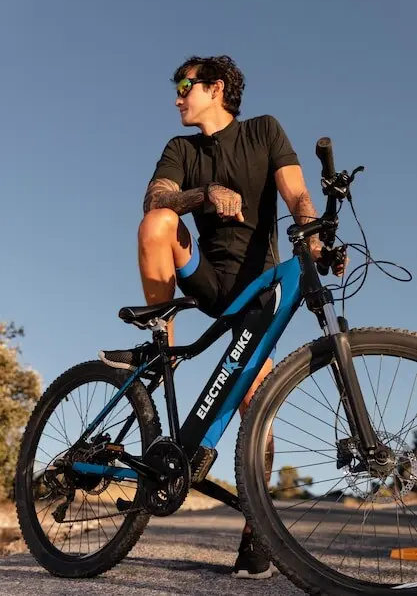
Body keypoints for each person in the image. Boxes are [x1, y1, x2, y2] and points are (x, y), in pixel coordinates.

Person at [101, 55, 346, 579]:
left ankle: (257, 533)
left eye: (184, 85)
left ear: (215, 88)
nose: (177, 96)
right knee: (158, 222)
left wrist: (316, 242)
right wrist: (205, 195)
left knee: (259, 403)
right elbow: (156, 199)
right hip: (205, 277)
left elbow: (298, 194)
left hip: (255, 290)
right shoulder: (182, 148)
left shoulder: (263, 131)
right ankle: (159, 343)